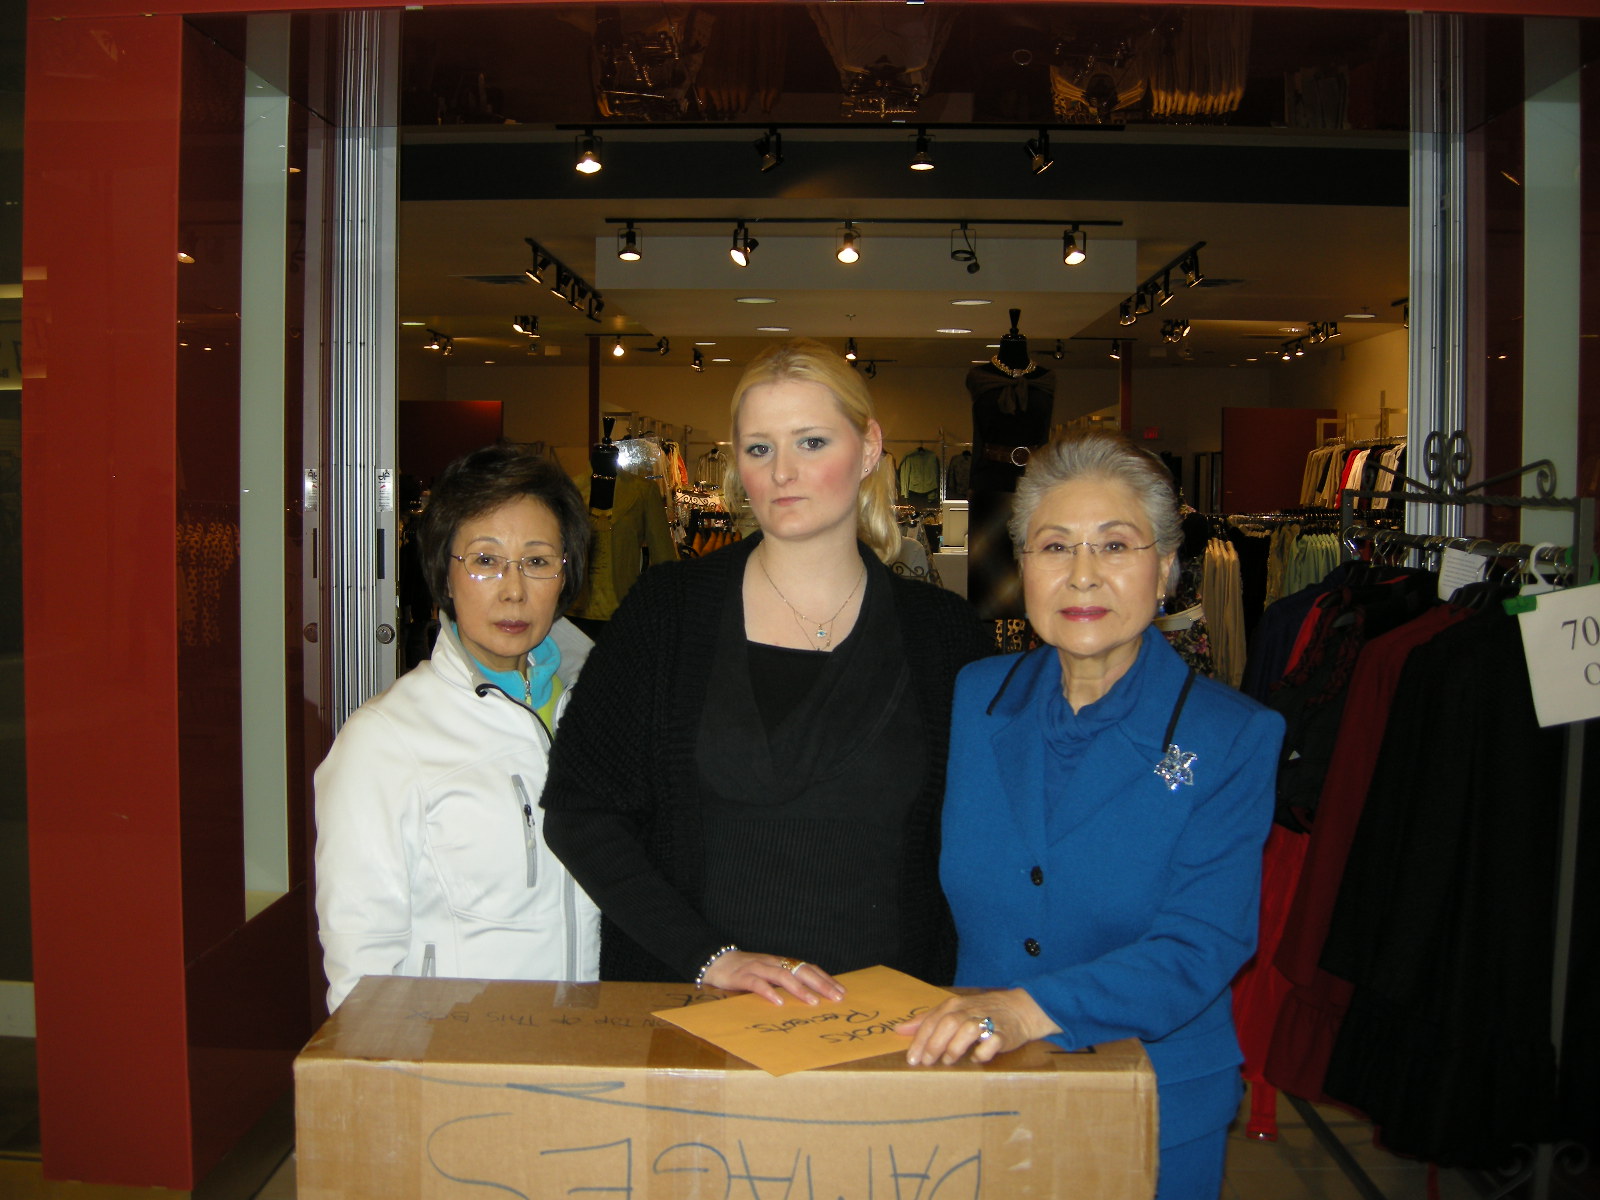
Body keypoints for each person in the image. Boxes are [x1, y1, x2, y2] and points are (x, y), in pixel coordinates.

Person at [541, 339, 989, 1004]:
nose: (782, 472)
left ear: (868, 448)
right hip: (696, 1010)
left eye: (811, 442)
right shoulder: (667, 615)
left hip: (889, 1019)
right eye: (759, 448)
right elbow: (580, 813)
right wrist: (707, 957)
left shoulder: (944, 637)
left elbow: (988, 845)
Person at [900, 429, 1283, 1200]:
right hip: (986, 1087)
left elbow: (1199, 946)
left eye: (1114, 545)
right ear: (1022, 566)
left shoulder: (1231, 736)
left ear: (1165, 567)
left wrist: (1026, 1010)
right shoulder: (976, 696)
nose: (1082, 574)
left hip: (1153, 1102)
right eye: (1054, 547)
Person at [314, 444, 599, 1011]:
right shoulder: (385, 739)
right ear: (445, 574)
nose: (513, 590)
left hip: (585, 1041)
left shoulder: (597, 715)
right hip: (454, 1050)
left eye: (537, 561)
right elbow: (360, 967)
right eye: (485, 560)